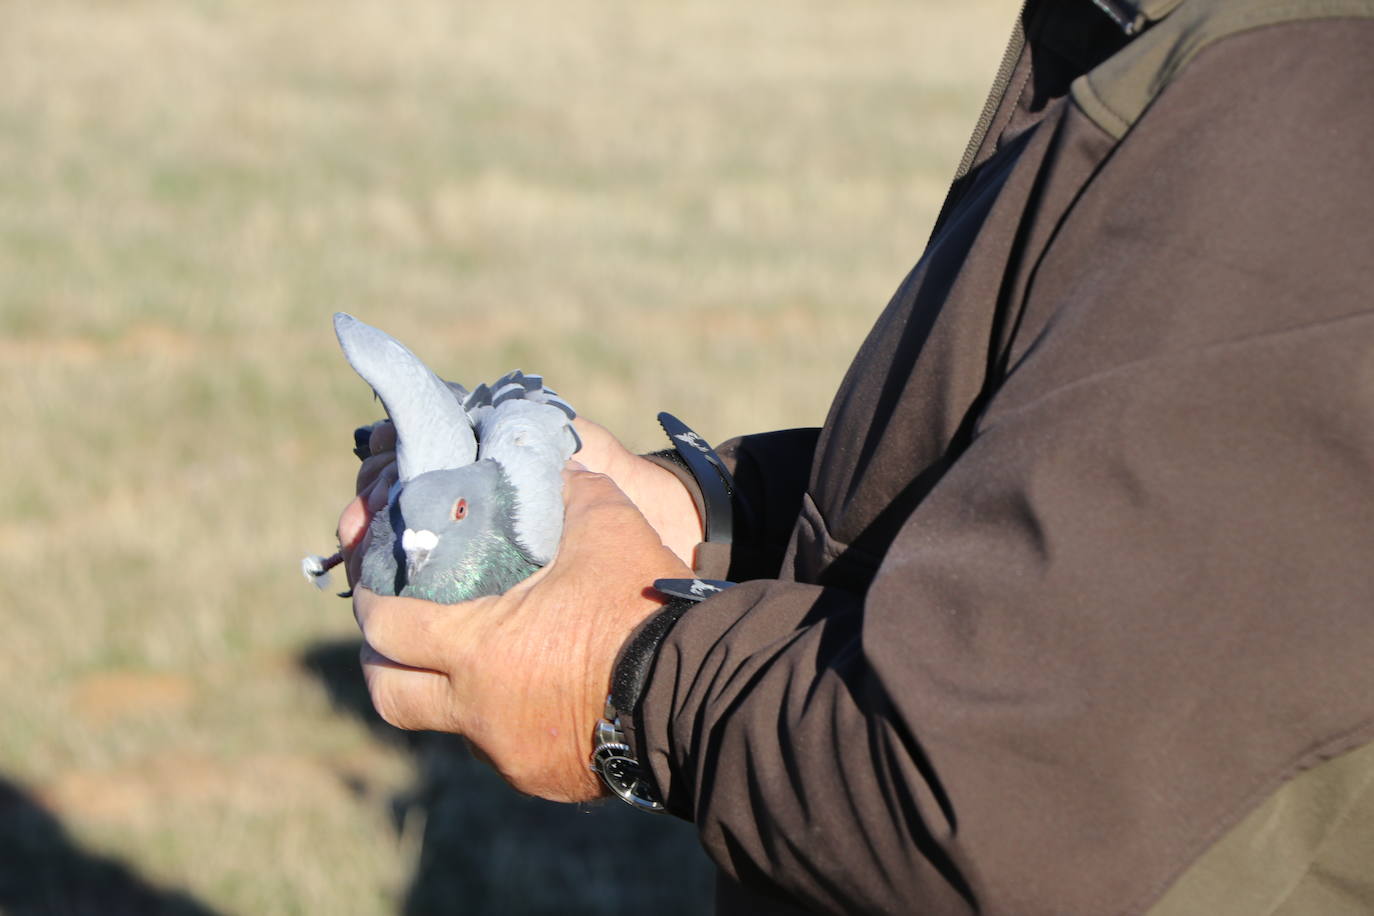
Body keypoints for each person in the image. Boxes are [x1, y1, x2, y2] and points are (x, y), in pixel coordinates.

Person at [337, 0, 1374, 911]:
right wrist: (714, 520)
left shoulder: (1295, 92)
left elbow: (999, 791)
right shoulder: (1165, 36)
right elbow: (1093, 486)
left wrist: (624, 678)